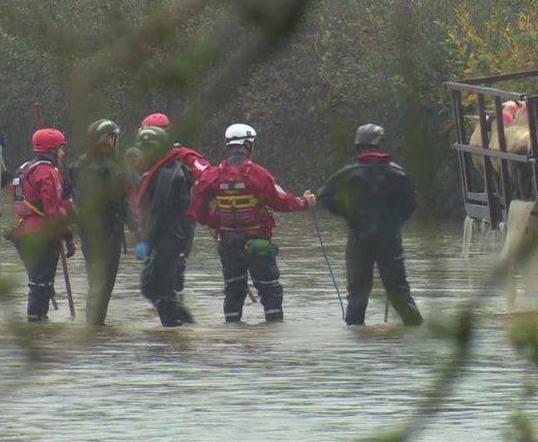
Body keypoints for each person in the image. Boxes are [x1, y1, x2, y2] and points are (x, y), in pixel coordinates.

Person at [188, 123, 315, 323]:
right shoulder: (258, 173)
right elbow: (280, 201)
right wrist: (304, 203)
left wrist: (217, 223)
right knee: (270, 290)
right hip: (257, 243)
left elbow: (197, 209)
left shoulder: (212, 175)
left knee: (233, 290)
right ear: (248, 145)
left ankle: (232, 338)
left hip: (229, 243)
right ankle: (272, 335)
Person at [317, 123, 422, 326]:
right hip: (389, 239)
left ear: (358, 145)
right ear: (380, 143)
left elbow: (324, 195)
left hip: (359, 238)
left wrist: (348, 216)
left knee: (357, 295)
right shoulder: (397, 173)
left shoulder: (349, 173)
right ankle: (416, 332)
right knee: (399, 292)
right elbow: (411, 203)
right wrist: (396, 221)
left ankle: (355, 342)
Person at [67, 119, 131, 326]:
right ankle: (95, 326)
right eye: (112, 138)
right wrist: (136, 225)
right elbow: (120, 202)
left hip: (87, 231)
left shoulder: (78, 164)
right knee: (103, 283)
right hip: (108, 232)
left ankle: (94, 324)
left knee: (95, 280)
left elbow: (68, 195)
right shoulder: (112, 168)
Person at [130, 125, 195, 327]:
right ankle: (180, 325)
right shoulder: (163, 169)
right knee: (153, 287)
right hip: (168, 237)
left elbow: (159, 210)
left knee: (156, 287)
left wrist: (147, 242)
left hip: (169, 239)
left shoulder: (168, 172)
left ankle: (174, 329)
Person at [10, 128, 73, 322]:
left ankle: (37, 322)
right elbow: (53, 210)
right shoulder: (47, 172)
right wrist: (68, 236)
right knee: (41, 285)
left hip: (24, 233)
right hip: (43, 235)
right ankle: (37, 324)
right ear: (52, 150)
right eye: (61, 149)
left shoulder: (24, 168)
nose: (63, 154)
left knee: (38, 283)